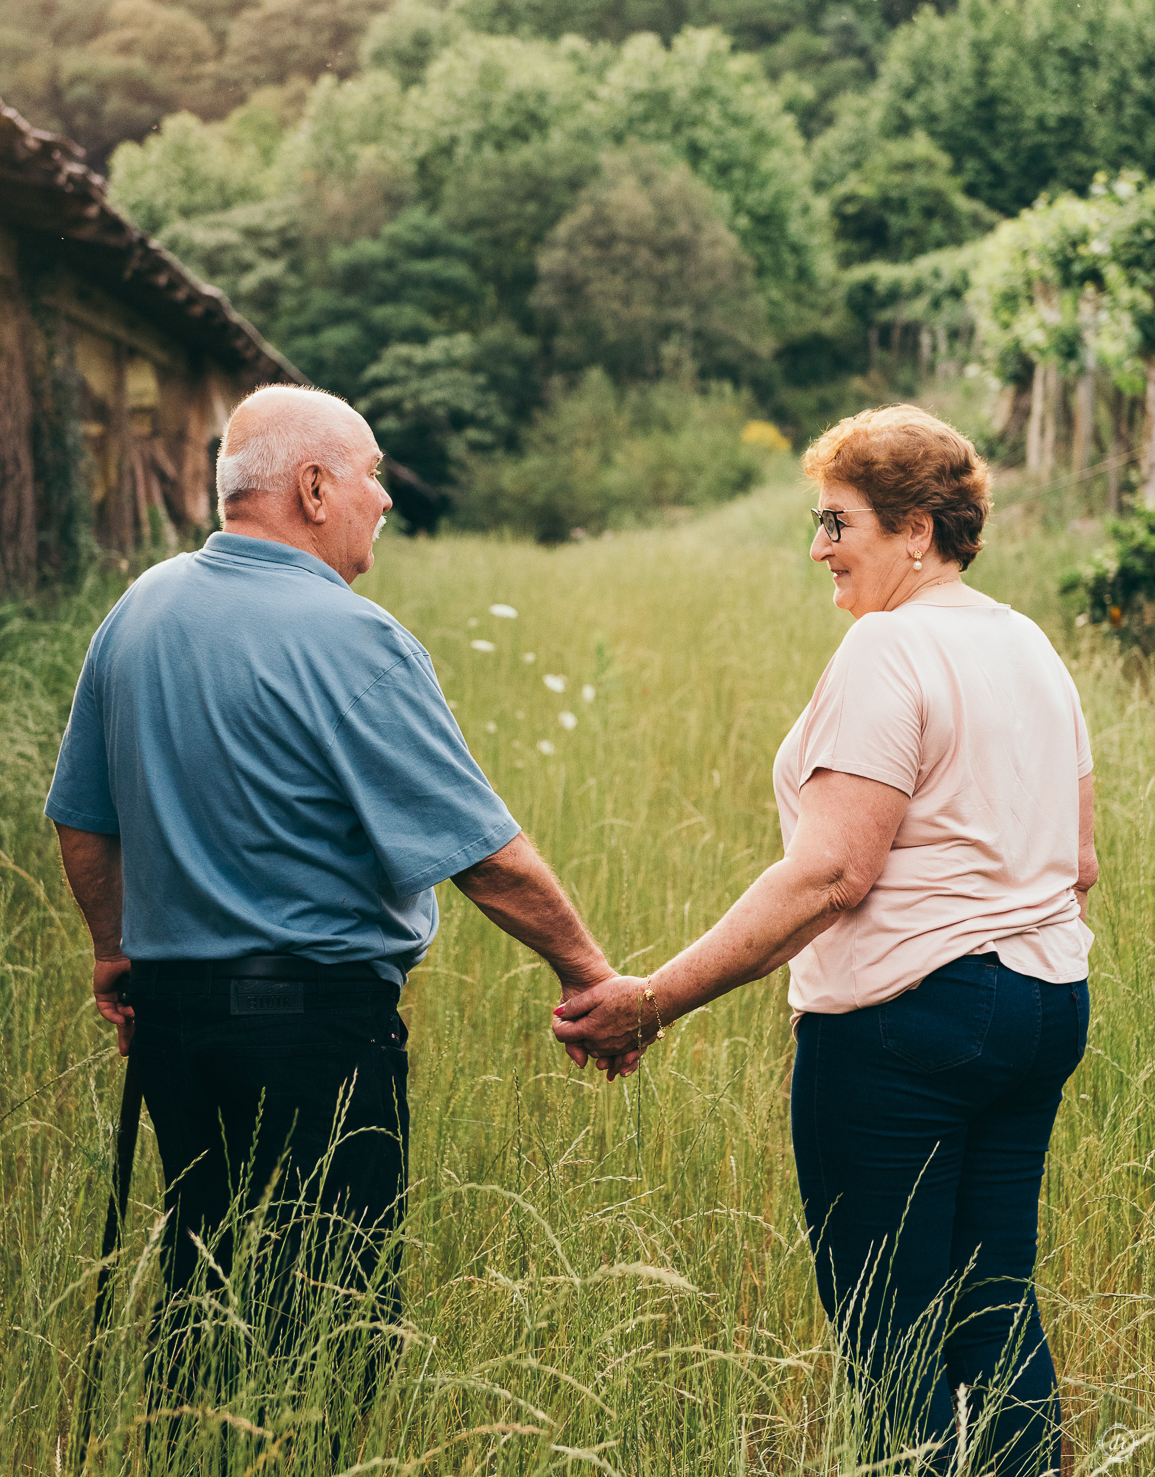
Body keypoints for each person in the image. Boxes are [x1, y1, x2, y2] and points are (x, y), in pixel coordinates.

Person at [554, 404, 1096, 1476]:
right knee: (994, 1306)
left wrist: (652, 996)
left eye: (838, 521)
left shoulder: (888, 644)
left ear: (918, 531)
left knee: (894, 1345)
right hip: (1043, 1004)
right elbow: (1078, 862)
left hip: (910, 1030)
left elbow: (832, 871)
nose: (819, 547)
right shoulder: (1028, 642)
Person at [47, 385, 612, 1391]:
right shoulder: (352, 638)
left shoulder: (138, 608)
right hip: (310, 1033)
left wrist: (113, 949)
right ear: (313, 488)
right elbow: (485, 855)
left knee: (202, 1279)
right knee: (330, 1322)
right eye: (372, 474)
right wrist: (591, 976)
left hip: (171, 1024)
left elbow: (82, 819)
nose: (384, 501)